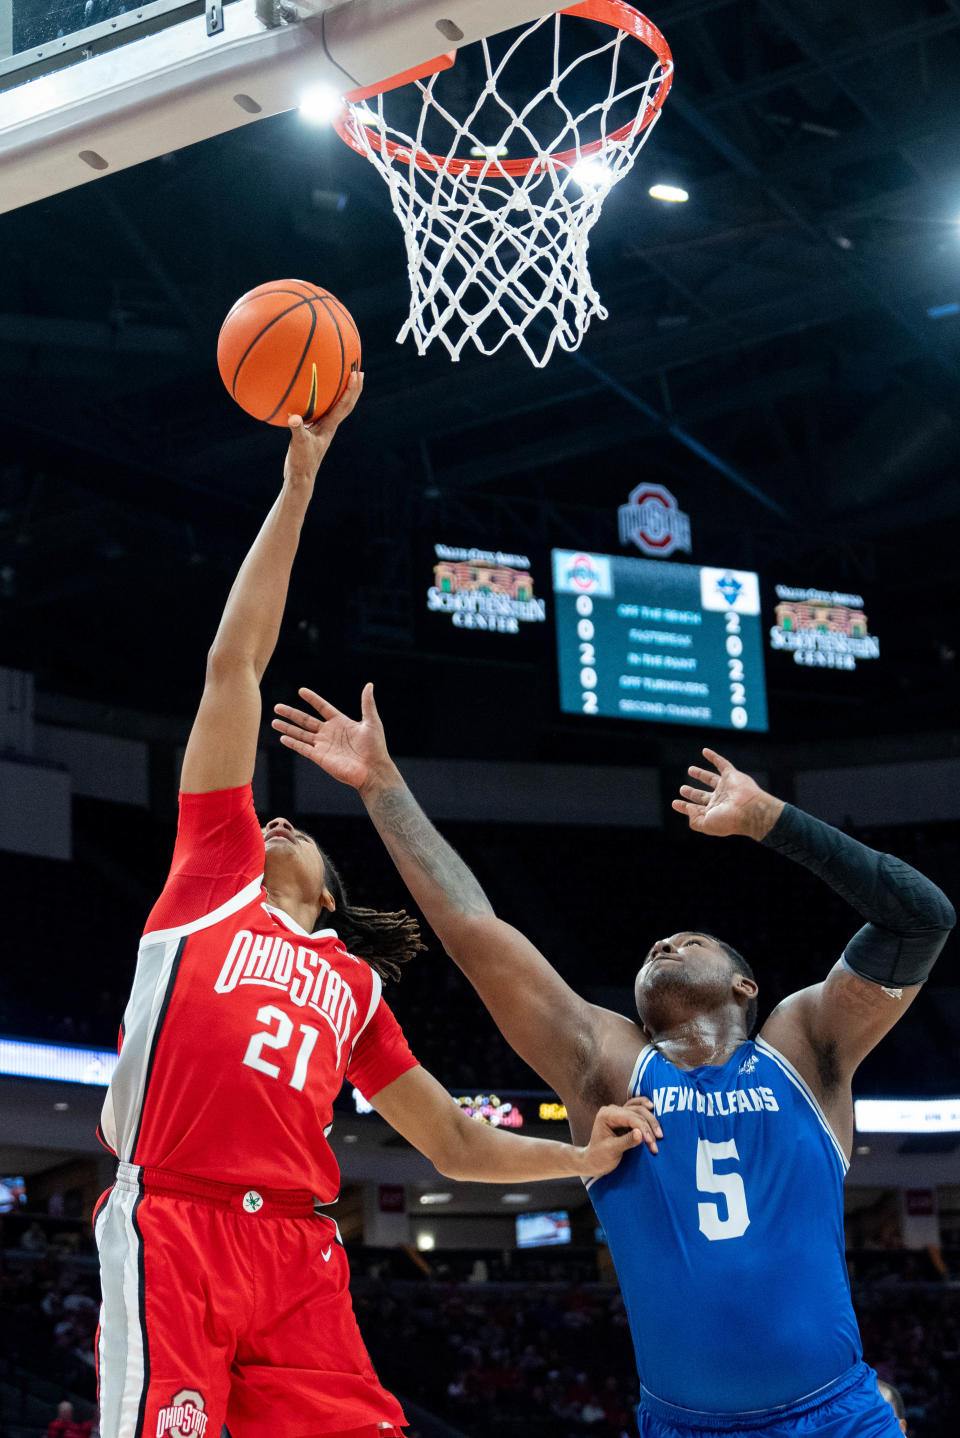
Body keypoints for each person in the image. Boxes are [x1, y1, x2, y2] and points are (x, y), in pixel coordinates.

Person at [94, 376, 656, 1438]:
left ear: (335, 893)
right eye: (267, 822)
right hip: (176, 1223)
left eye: (291, 830)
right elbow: (235, 667)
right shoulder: (210, 877)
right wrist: (298, 485)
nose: (273, 827)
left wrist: (580, 1157)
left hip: (300, 1252)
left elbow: (448, 1136)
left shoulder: (352, 985)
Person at [271, 687, 956, 1438]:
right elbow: (472, 929)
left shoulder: (804, 1046)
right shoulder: (610, 1064)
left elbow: (921, 917)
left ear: (745, 984)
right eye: (657, 947)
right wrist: (382, 784)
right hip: (683, 1427)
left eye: (690, 942)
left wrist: (772, 821)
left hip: (837, 1418)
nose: (664, 945)